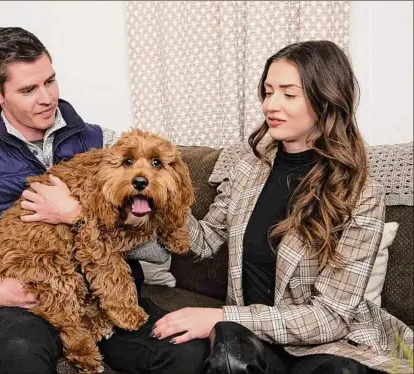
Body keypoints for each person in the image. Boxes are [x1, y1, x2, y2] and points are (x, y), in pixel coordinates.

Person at [0, 26, 206, 374]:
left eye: (50, 81)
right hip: (24, 303)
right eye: (29, 89)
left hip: (110, 297)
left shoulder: (109, 144)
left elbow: (157, 251)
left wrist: (76, 215)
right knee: (24, 358)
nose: (46, 97)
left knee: (188, 355)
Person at [146, 40, 413, 373]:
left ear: (325, 100)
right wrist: (160, 199)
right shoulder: (249, 165)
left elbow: (330, 317)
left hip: (326, 346)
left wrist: (219, 315)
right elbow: (202, 242)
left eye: (288, 94)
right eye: (268, 91)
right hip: (251, 341)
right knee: (229, 350)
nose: (271, 105)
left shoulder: (361, 194)